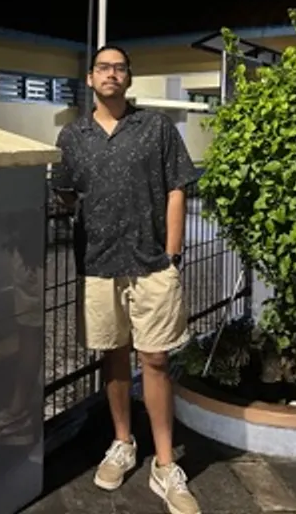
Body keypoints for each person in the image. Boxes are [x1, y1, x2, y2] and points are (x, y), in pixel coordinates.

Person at [52, 44, 201, 514]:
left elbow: (177, 187)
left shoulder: (155, 127)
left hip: (152, 264)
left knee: (154, 359)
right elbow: (65, 192)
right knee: (113, 356)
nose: (111, 74)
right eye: (103, 67)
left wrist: (171, 254)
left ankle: (165, 464)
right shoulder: (72, 136)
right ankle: (122, 442)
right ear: (91, 78)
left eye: (119, 68)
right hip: (98, 265)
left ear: (129, 78)